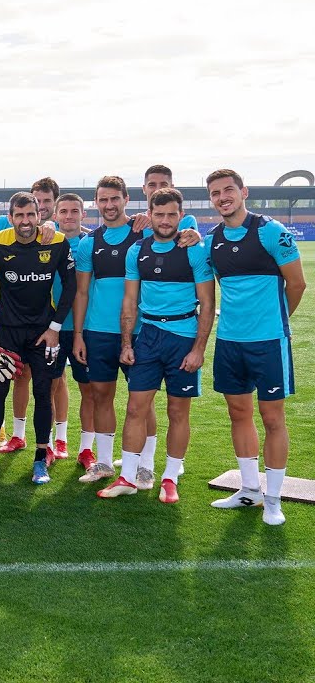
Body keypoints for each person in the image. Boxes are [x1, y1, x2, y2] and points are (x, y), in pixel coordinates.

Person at [72, 176, 199, 485]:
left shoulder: (142, 232)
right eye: (103, 199)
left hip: (141, 332)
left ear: (126, 199)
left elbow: (178, 236)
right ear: (96, 203)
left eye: (114, 198)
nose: (109, 204)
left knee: (143, 401)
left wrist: (194, 234)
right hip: (99, 331)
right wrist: (78, 334)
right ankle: (103, 463)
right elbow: (82, 292)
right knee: (101, 395)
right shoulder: (90, 242)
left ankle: (146, 464)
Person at [99, 188, 214, 503]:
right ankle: (128, 477)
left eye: (172, 215)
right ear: (149, 215)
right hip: (147, 336)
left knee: (178, 411)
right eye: (159, 214)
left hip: (183, 338)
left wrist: (198, 349)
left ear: (180, 215)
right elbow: (130, 301)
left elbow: (207, 302)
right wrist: (127, 343)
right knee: (136, 407)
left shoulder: (194, 250)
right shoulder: (137, 251)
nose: (165, 220)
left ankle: (169, 479)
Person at [203, 169, 304, 525]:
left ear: (243, 192)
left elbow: (297, 284)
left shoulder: (271, 231)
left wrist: (275, 323)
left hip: (268, 342)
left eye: (228, 190)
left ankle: (273, 499)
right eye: (215, 193)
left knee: (273, 418)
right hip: (230, 342)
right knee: (238, 414)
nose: (222, 197)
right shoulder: (212, 240)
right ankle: (249, 490)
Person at [0, 192, 77, 485]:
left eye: (30, 214)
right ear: (10, 218)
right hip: (5, 332)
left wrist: (55, 327)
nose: (25, 221)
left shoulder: (55, 242)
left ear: (39, 215)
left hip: (43, 334)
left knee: (43, 394)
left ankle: (40, 460)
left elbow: (70, 287)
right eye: (19, 216)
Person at [52, 193, 96, 465]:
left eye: (74, 211)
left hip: (85, 328)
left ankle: (86, 449)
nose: (68, 216)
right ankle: (55, 442)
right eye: (63, 211)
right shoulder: (46, 241)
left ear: (83, 215)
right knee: (50, 386)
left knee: (89, 389)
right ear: (55, 215)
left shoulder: (91, 243)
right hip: (52, 328)